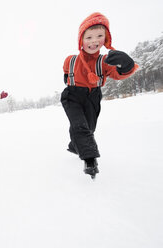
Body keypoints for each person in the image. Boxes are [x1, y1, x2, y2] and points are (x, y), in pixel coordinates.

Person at [60, 12, 138, 179]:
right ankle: (89, 159)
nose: (94, 41)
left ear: (105, 38)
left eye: (99, 36)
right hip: (72, 95)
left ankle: (75, 145)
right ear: (81, 39)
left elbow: (118, 74)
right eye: (89, 37)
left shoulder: (105, 61)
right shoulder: (70, 60)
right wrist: (70, 80)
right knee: (79, 125)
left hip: (93, 96)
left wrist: (127, 65)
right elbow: (66, 73)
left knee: (88, 127)